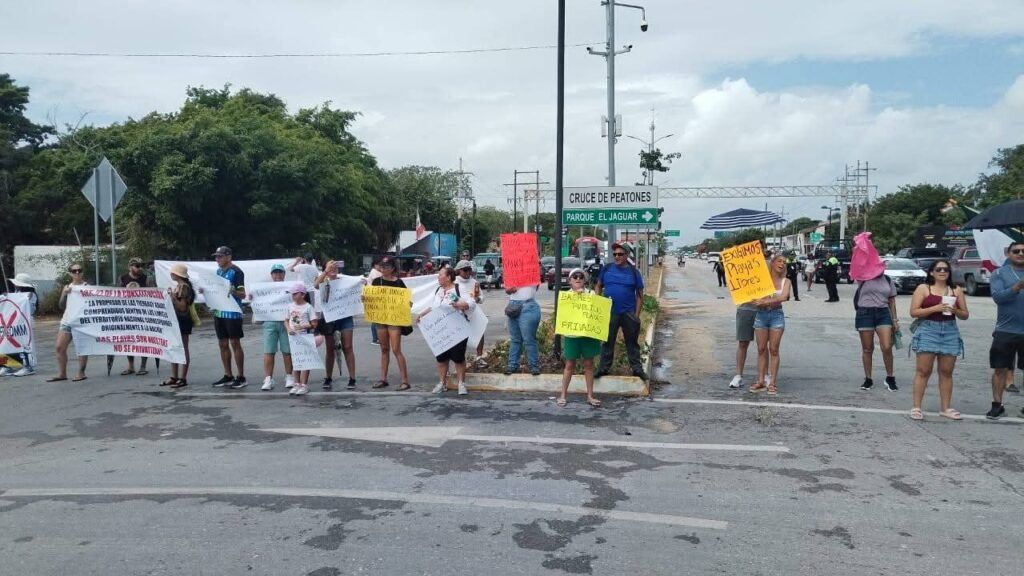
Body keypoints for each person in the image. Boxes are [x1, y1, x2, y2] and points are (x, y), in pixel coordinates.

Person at [908, 259, 968, 421]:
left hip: (950, 330)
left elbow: (965, 315)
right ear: (931, 272)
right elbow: (914, 312)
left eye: (946, 269)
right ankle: (916, 407)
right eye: (939, 269)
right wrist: (936, 308)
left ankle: (945, 408)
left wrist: (954, 310)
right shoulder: (923, 288)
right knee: (923, 371)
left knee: (946, 372)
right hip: (928, 329)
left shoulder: (956, 290)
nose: (942, 272)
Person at [417, 267, 475, 395]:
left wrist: (459, 305)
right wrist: (422, 314)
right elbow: (434, 307)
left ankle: (461, 384)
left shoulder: (459, 289)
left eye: (440, 275)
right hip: (441, 331)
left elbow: (470, 304)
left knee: (458, 358)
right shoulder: (439, 290)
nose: (438, 277)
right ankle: (442, 383)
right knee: (441, 358)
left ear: (448, 277)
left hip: (457, 330)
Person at [594, 243, 647, 380]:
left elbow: (640, 295)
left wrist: (636, 315)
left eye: (620, 254)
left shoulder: (634, 272)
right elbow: (598, 286)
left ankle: (637, 369)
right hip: (610, 313)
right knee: (607, 342)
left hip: (629, 313)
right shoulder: (607, 269)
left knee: (632, 343)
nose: (617, 256)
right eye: (615, 254)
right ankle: (603, 369)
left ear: (627, 255)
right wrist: (598, 303)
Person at [986, 241, 1024, 419]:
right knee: (1000, 369)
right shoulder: (999, 273)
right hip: (1006, 330)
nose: (1020, 253)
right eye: (1016, 251)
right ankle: (997, 405)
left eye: (1023, 251)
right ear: (1008, 254)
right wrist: (1017, 287)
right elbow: (998, 298)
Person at [556, 269, 603, 408]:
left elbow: (597, 311)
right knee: (569, 365)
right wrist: (574, 298)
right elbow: (563, 314)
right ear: (570, 280)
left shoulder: (591, 294)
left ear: (585, 280)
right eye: (574, 276)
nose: (578, 279)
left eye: (581, 277)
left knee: (589, 364)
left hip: (588, 335)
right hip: (572, 336)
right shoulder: (566, 296)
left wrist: (585, 298)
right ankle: (563, 395)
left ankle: (590, 396)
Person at [749, 254, 791, 395]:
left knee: (774, 349)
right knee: (761, 349)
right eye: (779, 261)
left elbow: (784, 297)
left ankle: (772, 382)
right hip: (761, 315)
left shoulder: (786, 281)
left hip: (776, 315)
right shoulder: (761, 280)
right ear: (772, 263)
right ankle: (761, 380)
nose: (782, 264)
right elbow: (753, 297)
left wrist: (765, 301)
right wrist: (757, 301)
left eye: (784, 262)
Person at [209, 246, 248, 389]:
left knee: (235, 343)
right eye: (216, 256)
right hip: (219, 312)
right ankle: (228, 375)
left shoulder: (236, 272)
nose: (217, 259)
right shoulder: (218, 272)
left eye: (220, 256)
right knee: (222, 344)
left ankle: (241, 376)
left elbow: (243, 294)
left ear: (229, 257)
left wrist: (233, 291)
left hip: (232, 312)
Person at [314, 259, 357, 390]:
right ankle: (328, 377)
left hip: (345, 316)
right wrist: (325, 272)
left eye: (335, 267)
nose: (333, 269)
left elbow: (358, 285)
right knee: (330, 348)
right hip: (329, 317)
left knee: (347, 347)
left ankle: (352, 378)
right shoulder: (323, 280)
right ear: (325, 269)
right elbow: (316, 285)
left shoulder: (344, 280)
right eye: (330, 267)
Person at [854, 271, 899, 391]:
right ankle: (868, 379)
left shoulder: (887, 279)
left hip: (883, 313)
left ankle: (890, 377)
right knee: (867, 348)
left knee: (887, 346)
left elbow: (892, 301)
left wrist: (895, 320)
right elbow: (855, 269)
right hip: (865, 313)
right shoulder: (862, 277)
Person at [370, 256, 410, 390]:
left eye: (386, 266)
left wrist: (406, 304)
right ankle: (383, 379)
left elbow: (407, 301)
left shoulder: (398, 283)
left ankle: (405, 380)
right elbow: (371, 298)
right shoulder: (376, 281)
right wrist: (366, 298)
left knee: (396, 349)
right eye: (382, 266)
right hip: (381, 319)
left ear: (392, 268)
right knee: (384, 349)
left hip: (394, 319)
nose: (383, 268)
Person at [46, 263, 89, 382]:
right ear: (70, 273)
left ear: (82, 272)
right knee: (59, 347)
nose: (77, 273)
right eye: (74, 271)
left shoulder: (88, 287)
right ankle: (62, 374)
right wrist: (64, 294)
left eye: (79, 270)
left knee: (82, 348)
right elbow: (61, 306)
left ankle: (81, 372)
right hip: (67, 321)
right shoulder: (67, 287)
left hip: (82, 321)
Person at [260, 264, 294, 391]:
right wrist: (252, 298)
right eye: (275, 273)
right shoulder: (264, 289)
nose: (278, 275)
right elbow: (256, 301)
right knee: (269, 351)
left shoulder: (290, 288)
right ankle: (268, 378)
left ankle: (289, 376)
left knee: (287, 351)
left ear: (284, 274)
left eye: (280, 272)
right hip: (269, 322)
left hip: (286, 322)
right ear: (271, 275)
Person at [504, 273, 542, 377]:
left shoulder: (532, 272)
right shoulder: (512, 272)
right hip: (513, 305)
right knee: (515, 339)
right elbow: (507, 290)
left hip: (528, 305)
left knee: (528, 339)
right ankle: (512, 365)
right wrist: (510, 289)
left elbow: (536, 286)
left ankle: (533, 366)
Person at [2, 273, 39, 377]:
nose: (15, 285)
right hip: (14, 323)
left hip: (25, 324)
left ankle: (28, 367)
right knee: (7, 344)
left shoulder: (31, 295)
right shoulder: (17, 292)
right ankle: (7, 365)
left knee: (25, 345)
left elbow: (29, 308)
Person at [165, 264, 195, 389]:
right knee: (174, 347)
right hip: (177, 320)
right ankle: (175, 377)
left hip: (182, 320)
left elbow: (182, 307)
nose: (171, 274)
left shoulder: (183, 287)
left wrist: (172, 296)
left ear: (177, 274)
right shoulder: (180, 286)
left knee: (182, 348)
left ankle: (182, 377)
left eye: (173, 272)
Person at [119, 257, 150, 376]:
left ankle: (143, 366)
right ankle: (131, 366)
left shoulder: (146, 278)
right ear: (130, 267)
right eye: (137, 266)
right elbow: (115, 294)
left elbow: (153, 293)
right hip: (127, 313)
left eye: (142, 266)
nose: (140, 268)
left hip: (143, 313)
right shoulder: (123, 278)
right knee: (128, 340)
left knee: (144, 340)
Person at [286, 282, 318, 396]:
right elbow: (286, 320)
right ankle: (296, 383)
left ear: (303, 295)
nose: (293, 296)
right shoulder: (290, 306)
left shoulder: (308, 307)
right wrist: (289, 329)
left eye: (295, 294)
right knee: (296, 360)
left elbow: (314, 323)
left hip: (305, 336)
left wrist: (303, 326)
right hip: (293, 337)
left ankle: (304, 384)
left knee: (305, 360)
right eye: (292, 294)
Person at [454, 260, 487, 366]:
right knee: (460, 338)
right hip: (459, 313)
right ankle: (460, 360)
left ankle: (479, 357)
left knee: (480, 331)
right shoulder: (454, 282)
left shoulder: (474, 282)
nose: (468, 272)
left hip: (473, 312)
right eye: (465, 270)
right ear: (459, 270)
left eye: (469, 270)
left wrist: (478, 299)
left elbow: (482, 297)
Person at [727, 300, 759, 390]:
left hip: (764, 310)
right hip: (745, 308)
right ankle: (738, 376)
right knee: (743, 343)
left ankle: (764, 376)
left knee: (762, 346)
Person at [366, 261, 383, 345]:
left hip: (374, 297)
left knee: (376, 319)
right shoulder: (375, 273)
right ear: (375, 265)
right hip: (375, 298)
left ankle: (376, 338)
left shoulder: (374, 272)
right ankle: (376, 338)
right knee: (376, 319)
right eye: (379, 265)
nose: (380, 266)